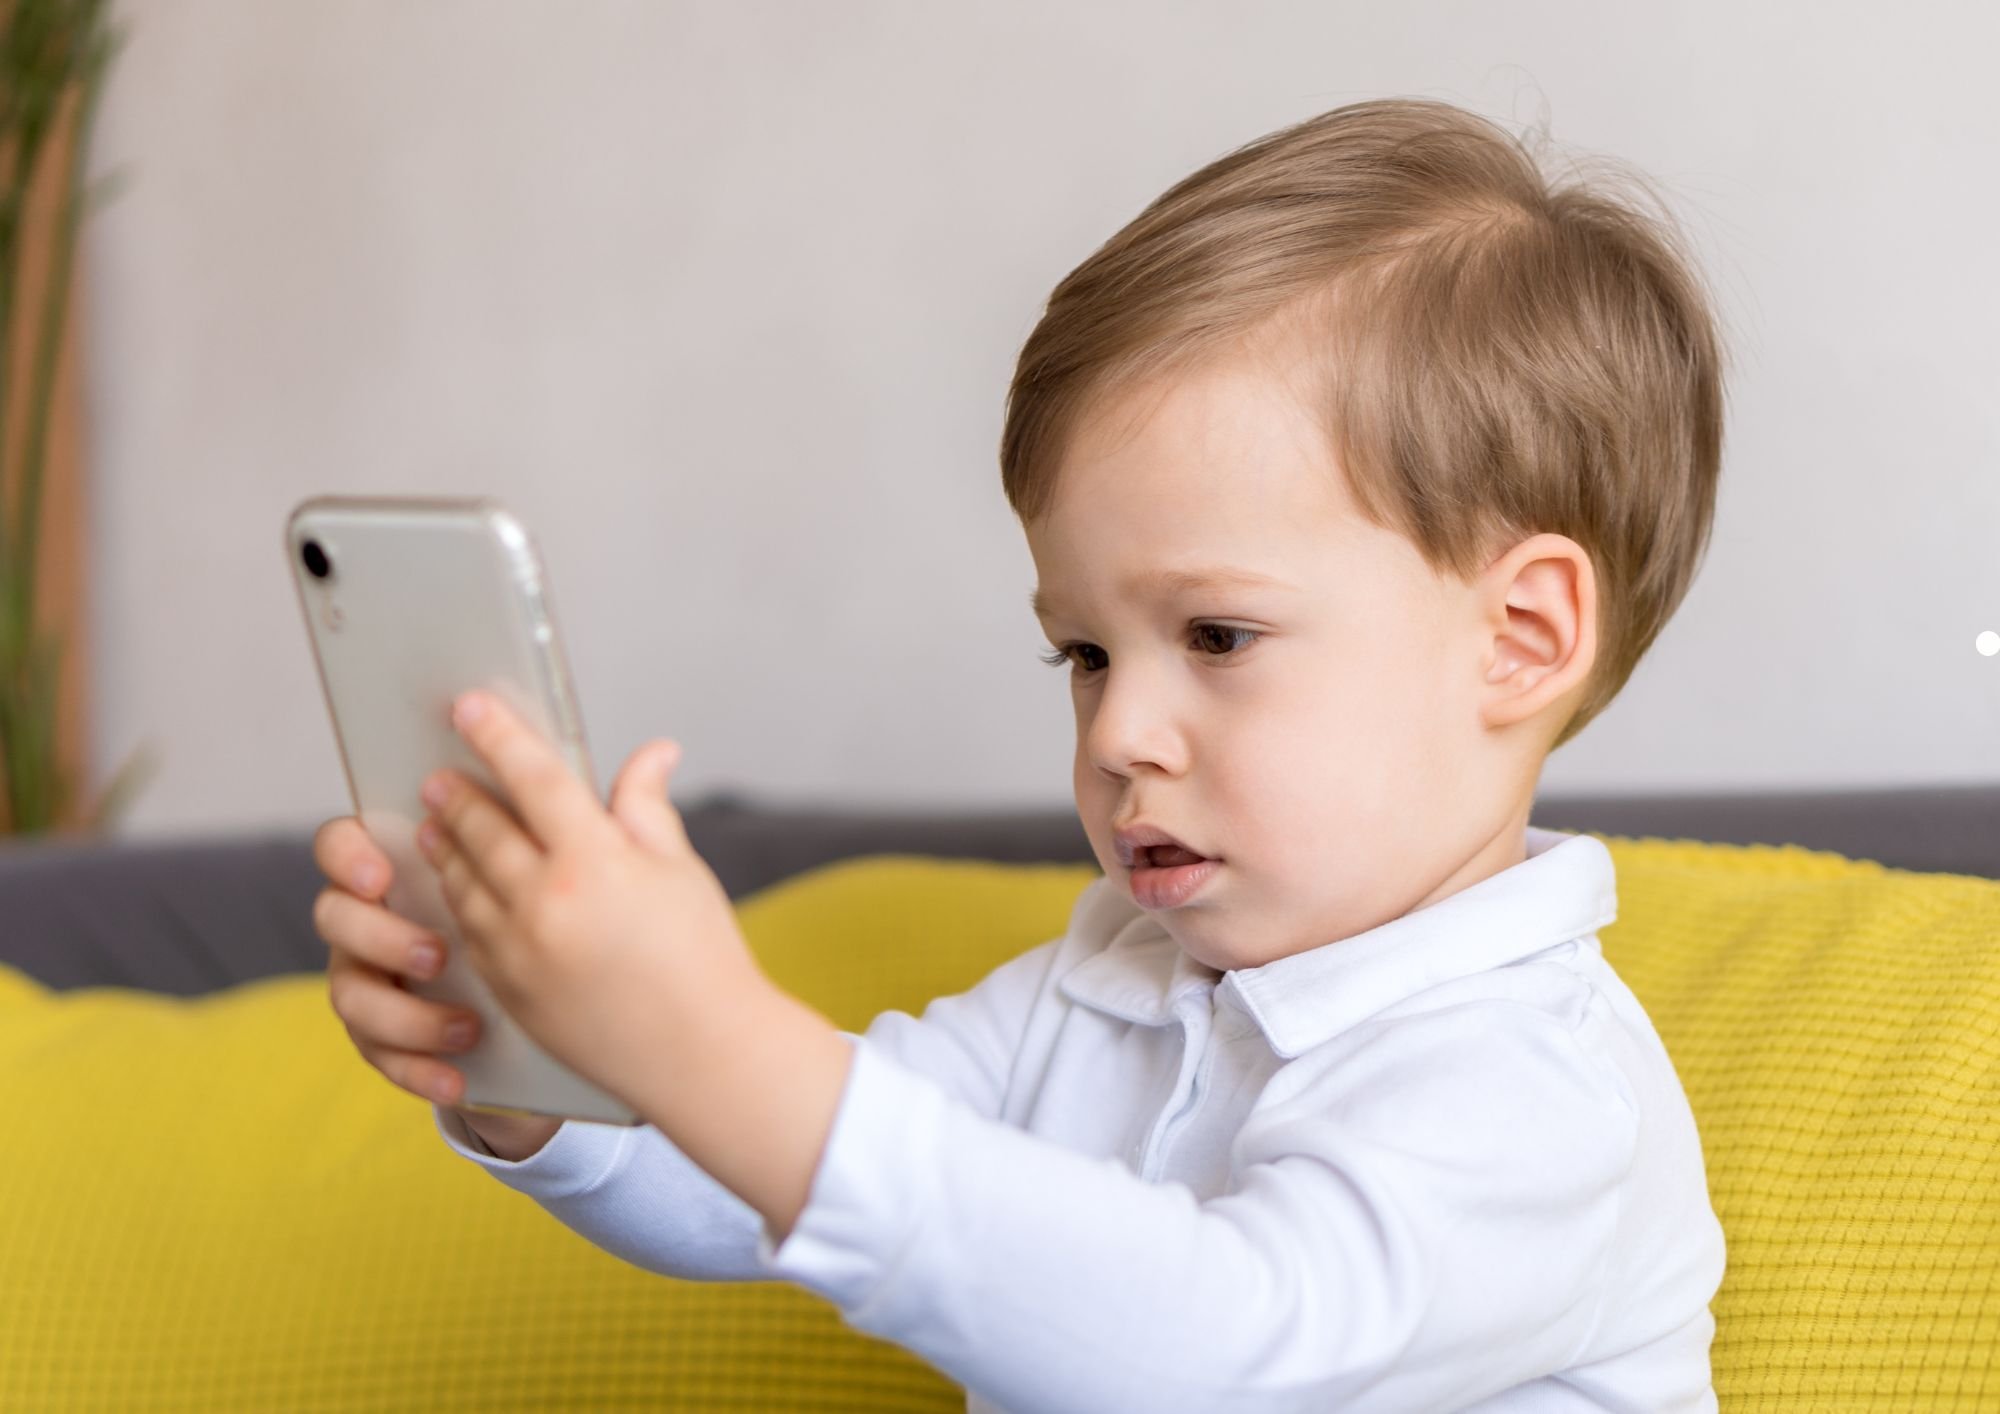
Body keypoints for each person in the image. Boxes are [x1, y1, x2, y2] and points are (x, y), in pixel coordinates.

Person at [313, 96, 1729, 1412]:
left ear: (1522, 638)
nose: (1116, 730)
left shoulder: (1537, 1086)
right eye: (1087, 653)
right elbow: (769, 1181)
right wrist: (547, 1060)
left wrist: (713, 1036)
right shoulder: (1101, 986)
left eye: (1219, 636)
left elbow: (1214, 1347)